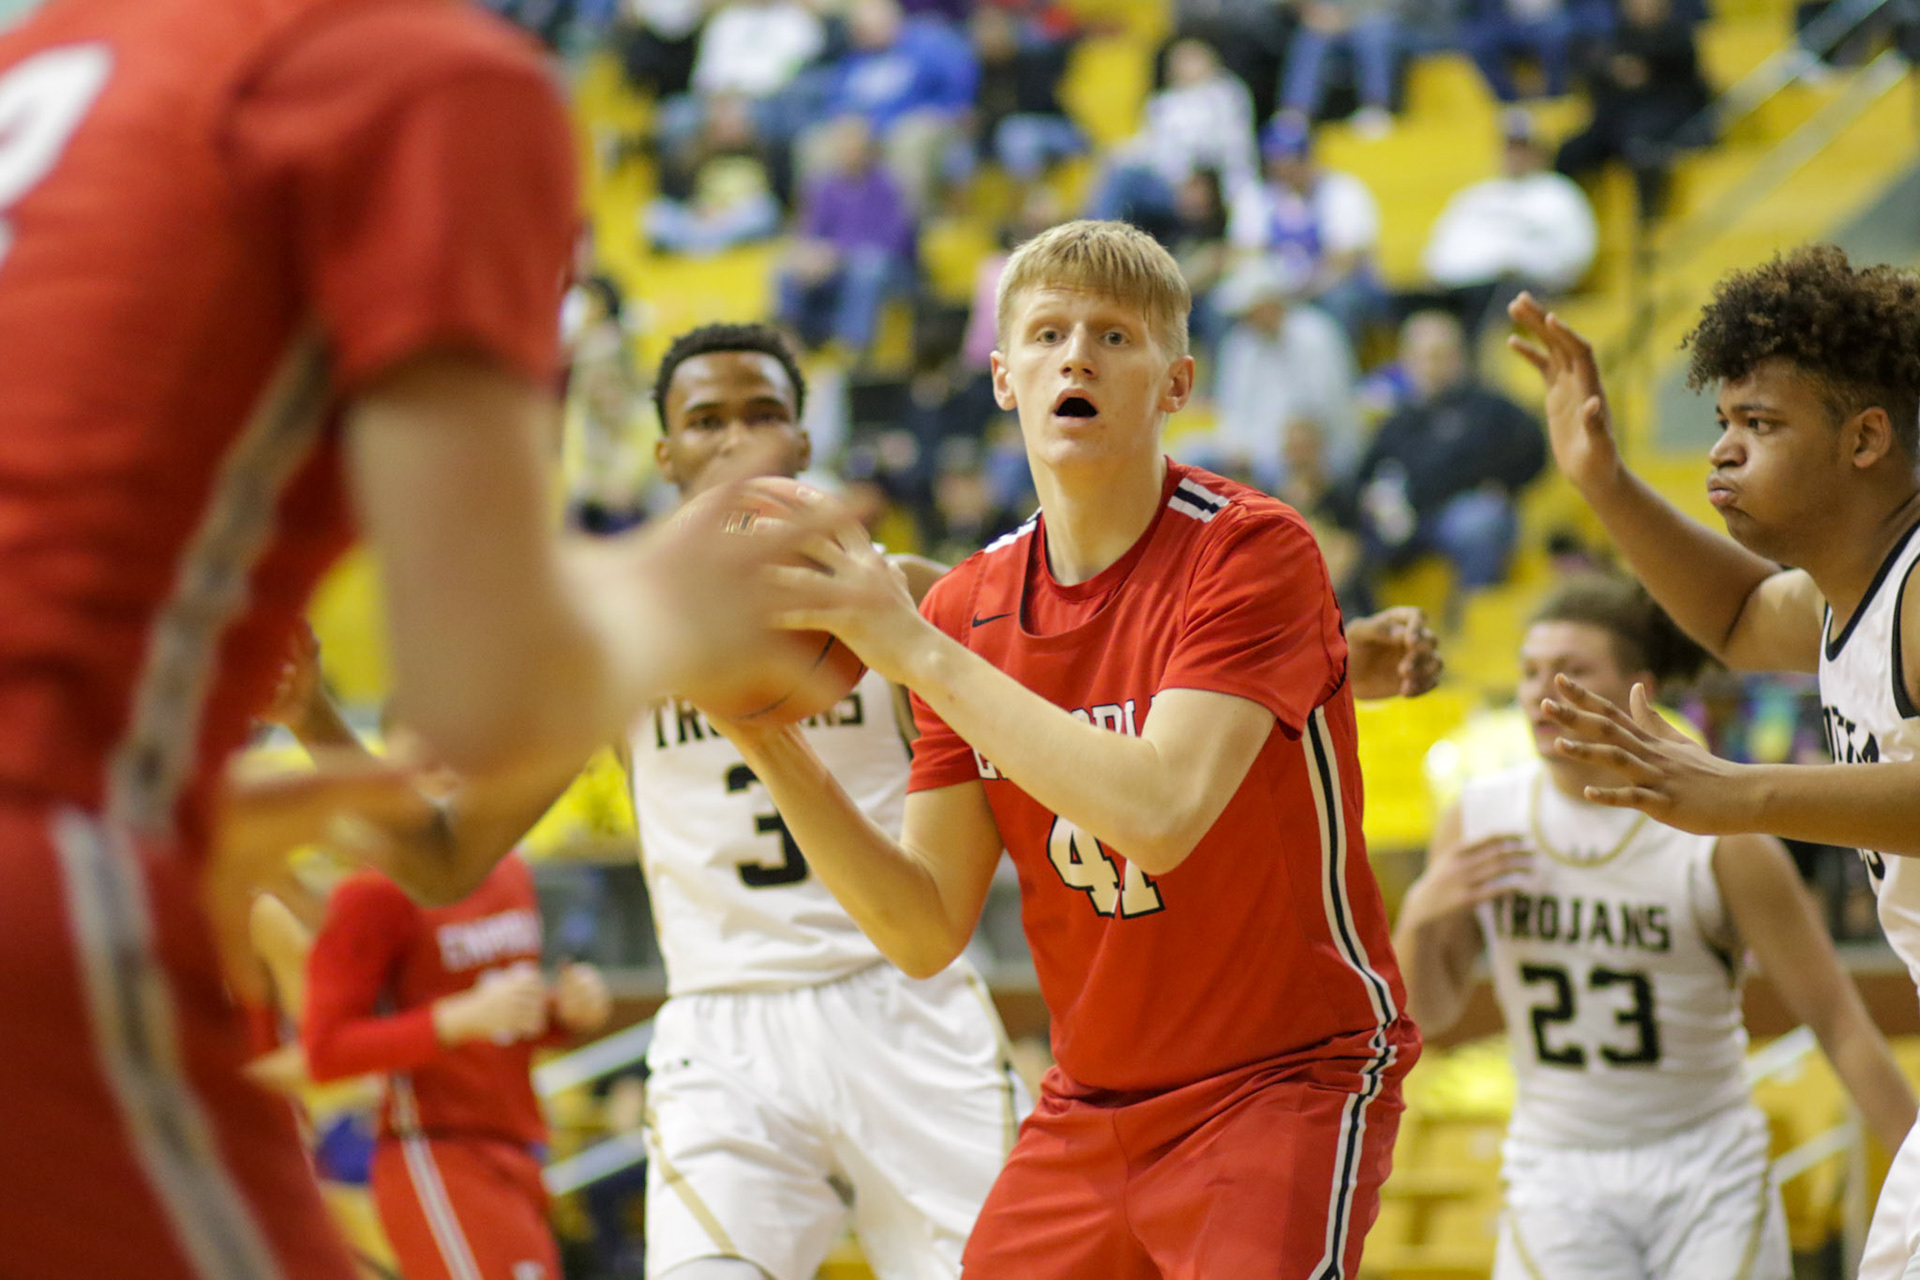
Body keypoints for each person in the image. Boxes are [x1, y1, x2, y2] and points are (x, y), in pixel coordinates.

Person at [0, 2, 822, 1275]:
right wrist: (668, 595)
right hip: (57, 866)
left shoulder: (55, 49)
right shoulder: (419, 79)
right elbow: (481, 689)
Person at [716, 220, 1441, 1278]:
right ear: (1005, 378)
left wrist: (913, 648)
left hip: (1282, 1078)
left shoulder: (1252, 548)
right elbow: (922, 924)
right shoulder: (968, 606)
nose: (1078, 357)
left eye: (1115, 336)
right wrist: (761, 731)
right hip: (1093, 1099)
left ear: (1176, 380)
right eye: (1049, 335)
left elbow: (1158, 813)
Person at [1504, 247, 1920, 1280]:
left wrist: (1742, 794)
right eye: (1724, 423)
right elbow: (1735, 613)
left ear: (1866, 437)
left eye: (1761, 426)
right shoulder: (1841, 597)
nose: (1724, 452)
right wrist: (1601, 478)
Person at [632, 322, 1030, 1280]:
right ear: (665, 453)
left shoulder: (895, 593)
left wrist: (1338, 659)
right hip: (722, 1022)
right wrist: (317, 717)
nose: (735, 440)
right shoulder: (616, 632)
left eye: (763, 414)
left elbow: (1097, 689)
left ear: (802, 440)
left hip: (905, 999)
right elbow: (448, 846)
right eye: (706, 420)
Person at [1395, 575, 1915, 1280]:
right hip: (1556, 1168)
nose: (1540, 691)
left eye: (1571, 671)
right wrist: (1422, 913)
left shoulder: (1722, 834)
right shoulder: (1479, 817)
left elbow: (1837, 1020)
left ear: (1638, 686)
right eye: (1526, 672)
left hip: (1706, 1164)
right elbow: (1427, 1012)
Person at [1333, 310, 1546, 612]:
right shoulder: (1396, 422)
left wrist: (1503, 484)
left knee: (1480, 520)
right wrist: (1373, 502)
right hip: (1406, 522)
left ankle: (1471, 620)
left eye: (1441, 355)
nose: (1432, 366)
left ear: (1459, 356)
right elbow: (1364, 478)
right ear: (1407, 360)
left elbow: (1534, 452)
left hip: (1461, 513)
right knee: (1343, 545)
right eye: (1423, 356)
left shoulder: (1490, 407)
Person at [1187, 259, 1363, 491]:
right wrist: (1236, 446)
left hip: (1313, 454)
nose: (1245, 319)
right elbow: (1230, 408)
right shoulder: (1241, 342)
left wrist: (1258, 451)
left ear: (1269, 304)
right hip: (1251, 450)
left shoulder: (1316, 336)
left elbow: (1319, 417)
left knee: (1279, 471)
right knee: (1191, 458)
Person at [1422, 111, 1597, 336]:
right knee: (1420, 306)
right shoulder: (1475, 196)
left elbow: (1577, 254)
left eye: (1523, 148)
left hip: (1524, 286)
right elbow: (1436, 253)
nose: (1516, 156)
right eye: (1510, 148)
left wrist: (1526, 268)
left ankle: (1478, 366)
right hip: (1462, 285)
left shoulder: (1559, 194)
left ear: (1539, 151)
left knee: (1494, 302)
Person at [1227, 114, 1385, 341]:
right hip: (1276, 287)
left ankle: (1339, 375)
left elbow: (1345, 261)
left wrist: (1298, 290)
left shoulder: (1343, 191)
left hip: (1331, 285)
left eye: (1291, 162)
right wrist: (1273, 292)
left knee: (1340, 300)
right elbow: (1245, 253)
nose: (1284, 170)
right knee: (1222, 308)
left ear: (1308, 159)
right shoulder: (1257, 196)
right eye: (1277, 162)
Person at [1554, 0, 1713, 222]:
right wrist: (1615, 70)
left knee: (1640, 147)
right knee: (1570, 152)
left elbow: (1684, 76)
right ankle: (1564, 219)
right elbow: (1594, 68)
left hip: (1664, 118)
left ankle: (1650, 223)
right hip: (1617, 120)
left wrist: (1643, 67)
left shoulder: (1677, 36)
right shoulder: (1618, 38)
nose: (1641, 8)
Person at [777, 115, 918, 359]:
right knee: (785, 270)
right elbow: (810, 235)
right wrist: (810, 257)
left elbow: (896, 242)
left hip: (892, 269)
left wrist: (838, 254)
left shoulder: (888, 185)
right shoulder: (823, 188)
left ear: (870, 150)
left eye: (856, 148)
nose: (850, 154)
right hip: (836, 268)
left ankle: (853, 350)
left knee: (867, 268)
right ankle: (795, 341)